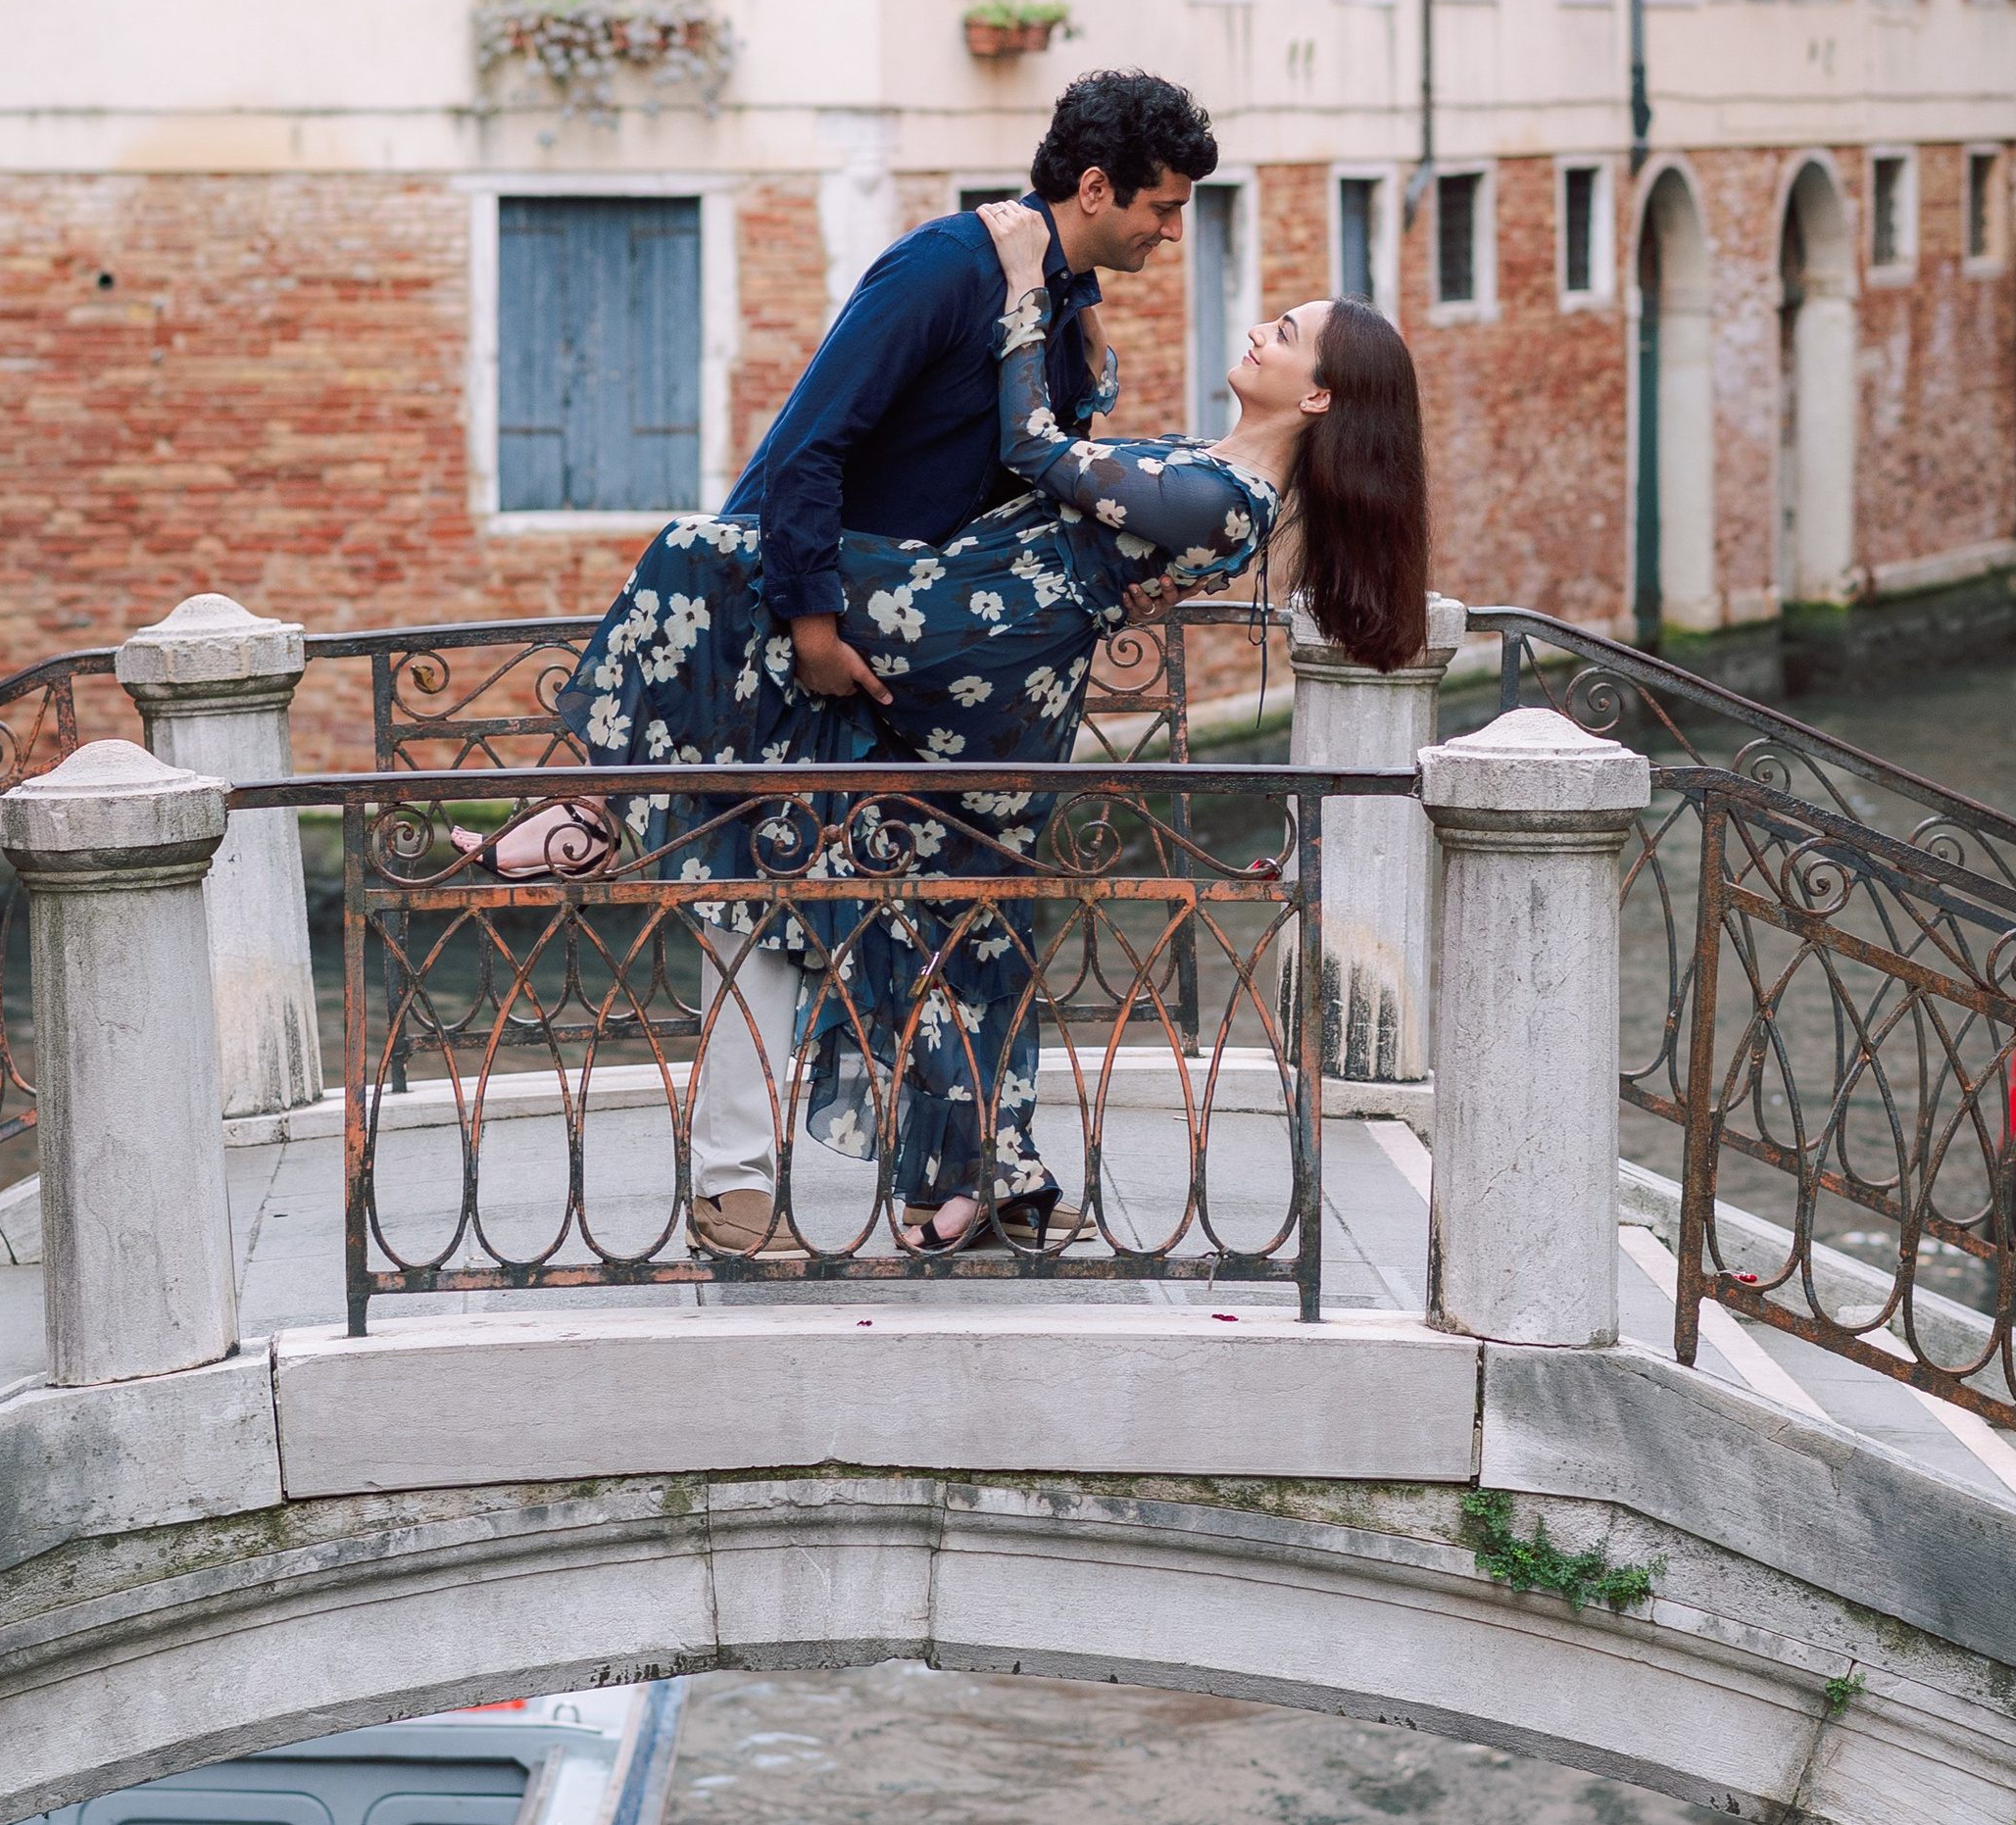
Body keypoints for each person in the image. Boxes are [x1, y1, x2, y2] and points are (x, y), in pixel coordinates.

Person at [470, 194, 1433, 1262]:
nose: (1259, 328)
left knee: (698, 553)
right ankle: (978, 1183)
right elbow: (1105, 473)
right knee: (970, 925)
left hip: (964, 628)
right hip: (1011, 680)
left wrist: (1027, 290)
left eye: (1286, 334)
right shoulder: (1225, 479)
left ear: (1319, 394)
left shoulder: (1225, 498)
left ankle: (599, 802)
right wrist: (1091, 336)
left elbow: (1036, 448)